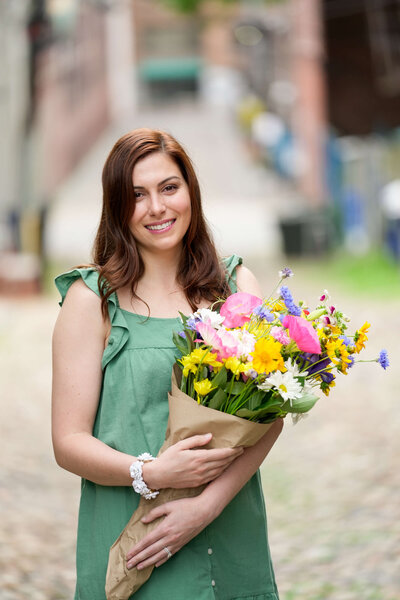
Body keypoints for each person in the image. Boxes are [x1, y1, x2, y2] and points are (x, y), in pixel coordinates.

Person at [52, 128, 283, 600]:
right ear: (117, 208)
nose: (157, 208)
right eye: (136, 195)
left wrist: (205, 508)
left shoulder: (235, 286)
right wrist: (152, 473)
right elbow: (68, 442)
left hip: (228, 531)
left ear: (190, 192)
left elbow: (269, 416)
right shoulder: (90, 301)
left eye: (169, 188)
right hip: (135, 537)